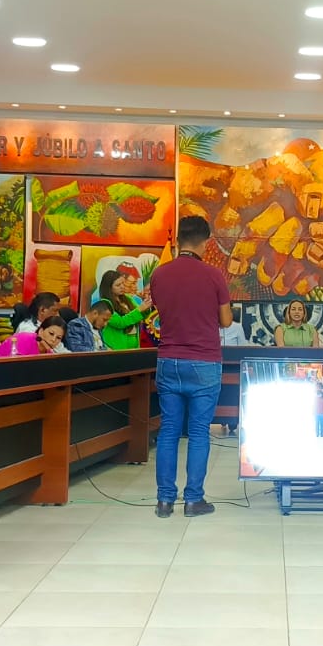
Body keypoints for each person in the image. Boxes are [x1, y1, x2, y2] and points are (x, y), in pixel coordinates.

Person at [149, 215, 232, 517]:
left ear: (178, 240)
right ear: (206, 242)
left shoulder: (159, 274)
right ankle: (193, 500)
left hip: (168, 359)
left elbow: (162, 312)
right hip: (204, 361)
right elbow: (226, 321)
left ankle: (164, 501)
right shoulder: (213, 275)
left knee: (169, 431)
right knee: (198, 432)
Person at [99, 269, 151, 350]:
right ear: (109, 287)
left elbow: (142, 317)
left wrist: (146, 304)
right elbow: (120, 323)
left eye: (123, 283)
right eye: (118, 285)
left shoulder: (128, 298)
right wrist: (140, 309)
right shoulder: (105, 304)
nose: (122, 287)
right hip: (116, 348)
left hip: (134, 345)